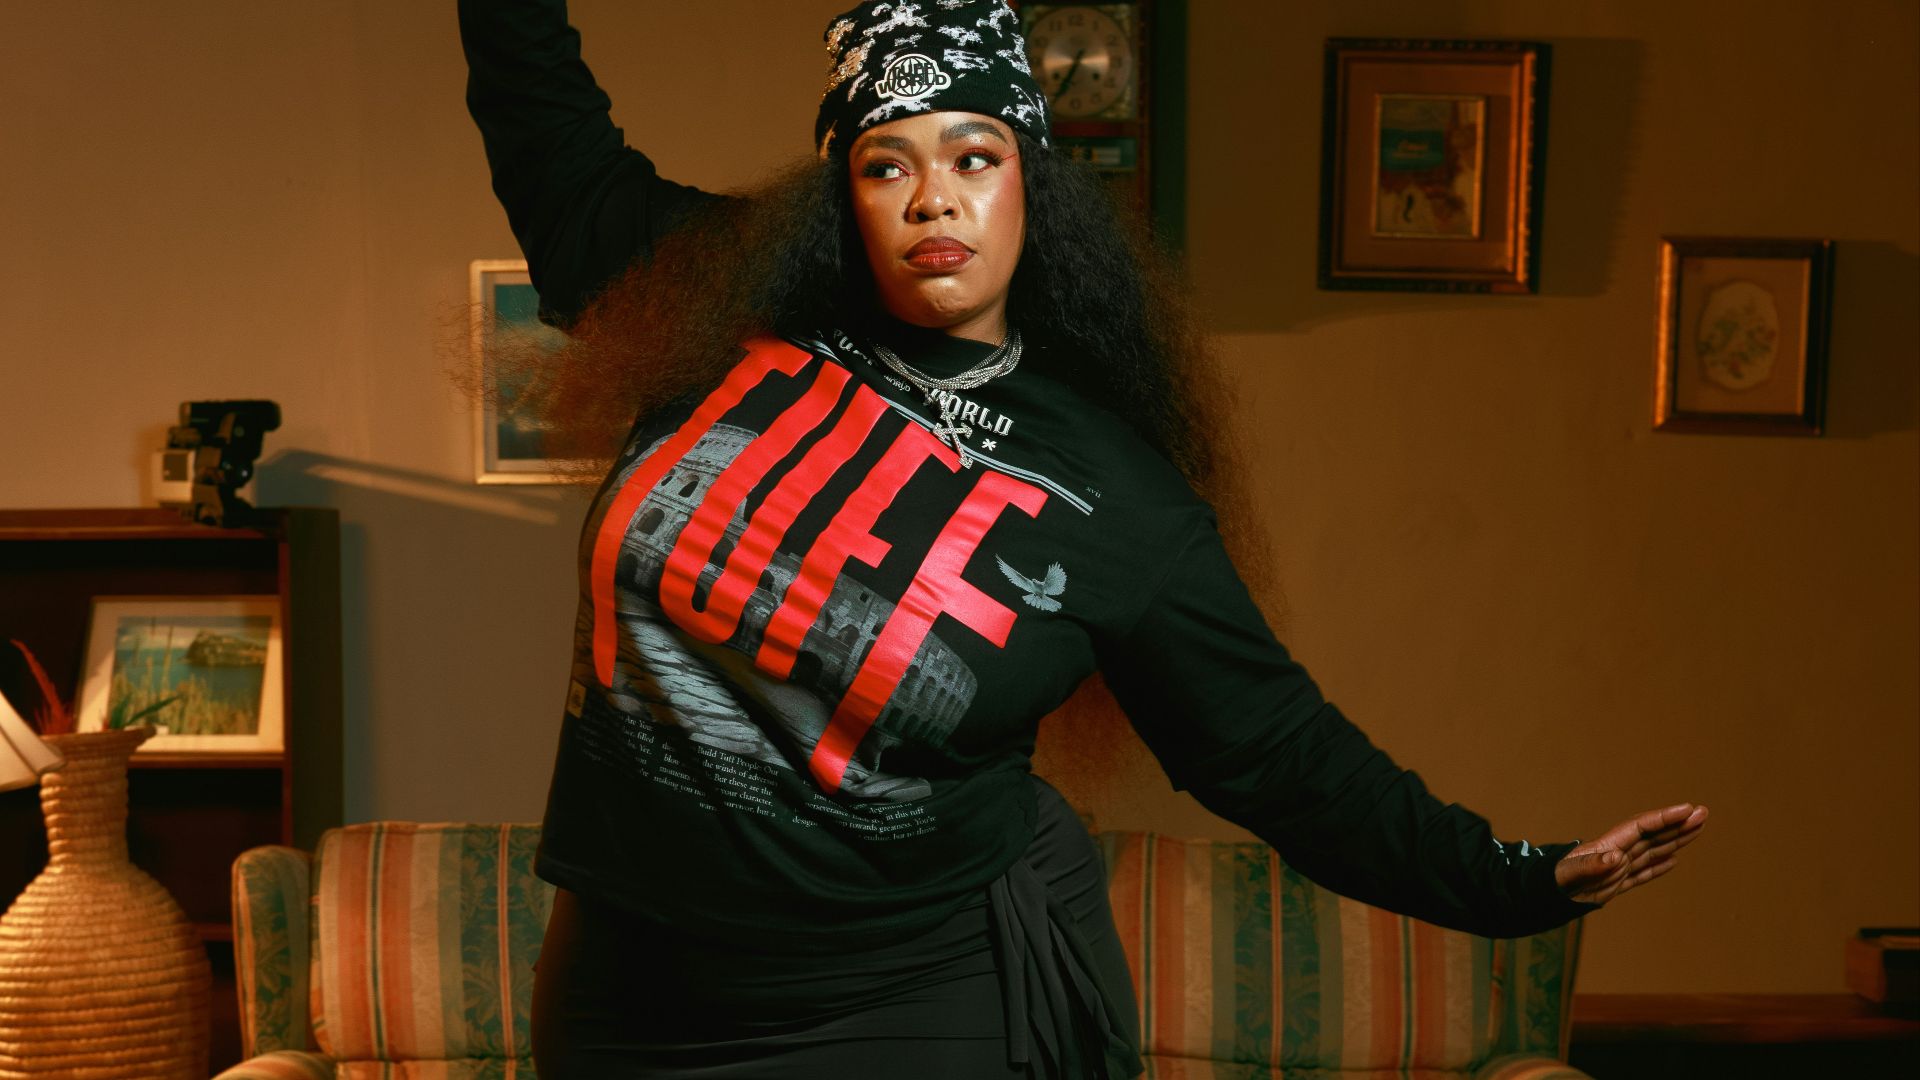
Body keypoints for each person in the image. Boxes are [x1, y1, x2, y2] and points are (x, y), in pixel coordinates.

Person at [459, 2, 1709, 1077]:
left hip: (906, 1008)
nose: (931, 195)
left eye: (973, 155)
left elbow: (1280, 757)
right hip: (624, 994)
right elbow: (541, 117)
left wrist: (1520, 880)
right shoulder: (716, 297)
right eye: (885, 164)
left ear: (1033, 183)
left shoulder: (1110, 491)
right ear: (841, 191)